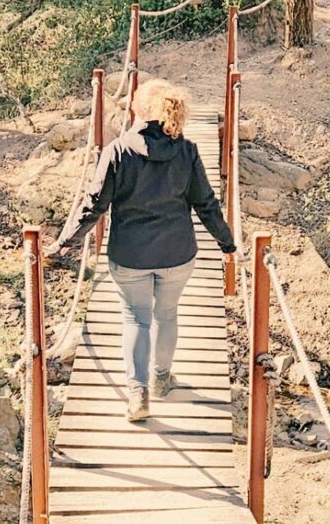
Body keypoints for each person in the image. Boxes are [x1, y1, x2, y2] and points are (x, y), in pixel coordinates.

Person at [49, 80, 236, 422]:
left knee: (136, 318)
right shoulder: (187, 151)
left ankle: (138, 394)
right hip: (177, 253)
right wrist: (227, 243)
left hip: (130, 255)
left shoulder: (118, 151)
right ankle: (161, 378)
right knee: (167, 314)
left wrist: (65, 242)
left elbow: (94, 205)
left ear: (139, 109)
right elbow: (206, 204)